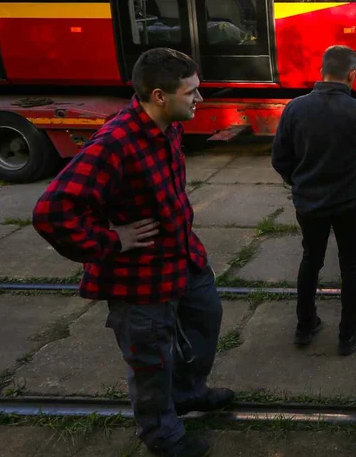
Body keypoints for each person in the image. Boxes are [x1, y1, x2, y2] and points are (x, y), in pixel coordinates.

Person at [32, 48, 230, 457]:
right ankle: (162, 434)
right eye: (191, 91)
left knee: (205, 319)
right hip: (140, 279)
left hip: (184, 259)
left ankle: (189, 393)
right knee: (150, 361)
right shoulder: (114, 143)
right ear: (160, 96)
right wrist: (111, 240)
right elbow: (52, 212)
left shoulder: (169, 126)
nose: (200, 99)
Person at [271, 45, 356, 355]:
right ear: (352, 74)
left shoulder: (295, 108)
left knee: (311, 260)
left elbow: (280, 157)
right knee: (352, 268)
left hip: (310, 203)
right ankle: (349, 334)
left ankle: (305, 326)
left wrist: (300, 182)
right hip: (352, 203)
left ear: (322, 71)